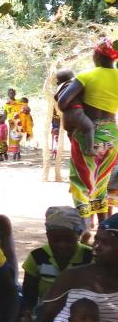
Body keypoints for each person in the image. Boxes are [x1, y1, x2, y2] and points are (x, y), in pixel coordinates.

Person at [57, 41, 118, 226]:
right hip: (112, 136)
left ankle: (83, 229)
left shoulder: (86, 75)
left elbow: (63, 102)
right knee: (101, 183)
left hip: (87, 134)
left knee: (81, 184)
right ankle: (103, 229)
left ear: (97, 56)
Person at [21, 207, 92, 313]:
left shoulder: (90, 257)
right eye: (55, 240)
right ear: (47, 235)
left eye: (68, 240)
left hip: (82, 316)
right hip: (45, 313)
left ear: (79, 234)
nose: (62, 245)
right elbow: (29, 295)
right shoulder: (37, 257)